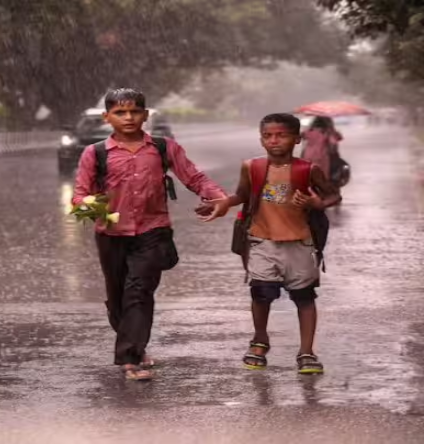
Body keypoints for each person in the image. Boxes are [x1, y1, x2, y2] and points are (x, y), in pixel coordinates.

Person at [72, 88, 227, 381]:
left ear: (145, 115)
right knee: (116, 298)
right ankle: (137, 345)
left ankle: (130, 359)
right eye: (120, 112)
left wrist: (217, 197)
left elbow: (193, 176)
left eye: (134, 111)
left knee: (139, 292)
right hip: (110, 234)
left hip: (153, 231)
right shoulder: (95, 153)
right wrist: (89, 206)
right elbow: (80, 194)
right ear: (107, 117)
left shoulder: (162, 147)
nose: (128, 117)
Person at [202, 113, 341, 374]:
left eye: (282, 135)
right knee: (261, 294)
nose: (274, 141)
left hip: (299, 243)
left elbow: (334, 195)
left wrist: (316, 203)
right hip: (261, 242)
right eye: (268, 136)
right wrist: (224, 203)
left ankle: (307, 351)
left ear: (297, 139)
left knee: (304, 297)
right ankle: (260, 339)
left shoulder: (308, 170)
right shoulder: (251, 167)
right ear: (261, 139)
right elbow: (243, 195)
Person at [301, 116, 343, 185]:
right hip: (322, 157)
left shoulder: (309, 131)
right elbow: (336, 140)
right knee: (322, 178)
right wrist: (333, 130)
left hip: (307, 156)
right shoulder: (327, 132)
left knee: (309, 177)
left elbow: (301, 136)